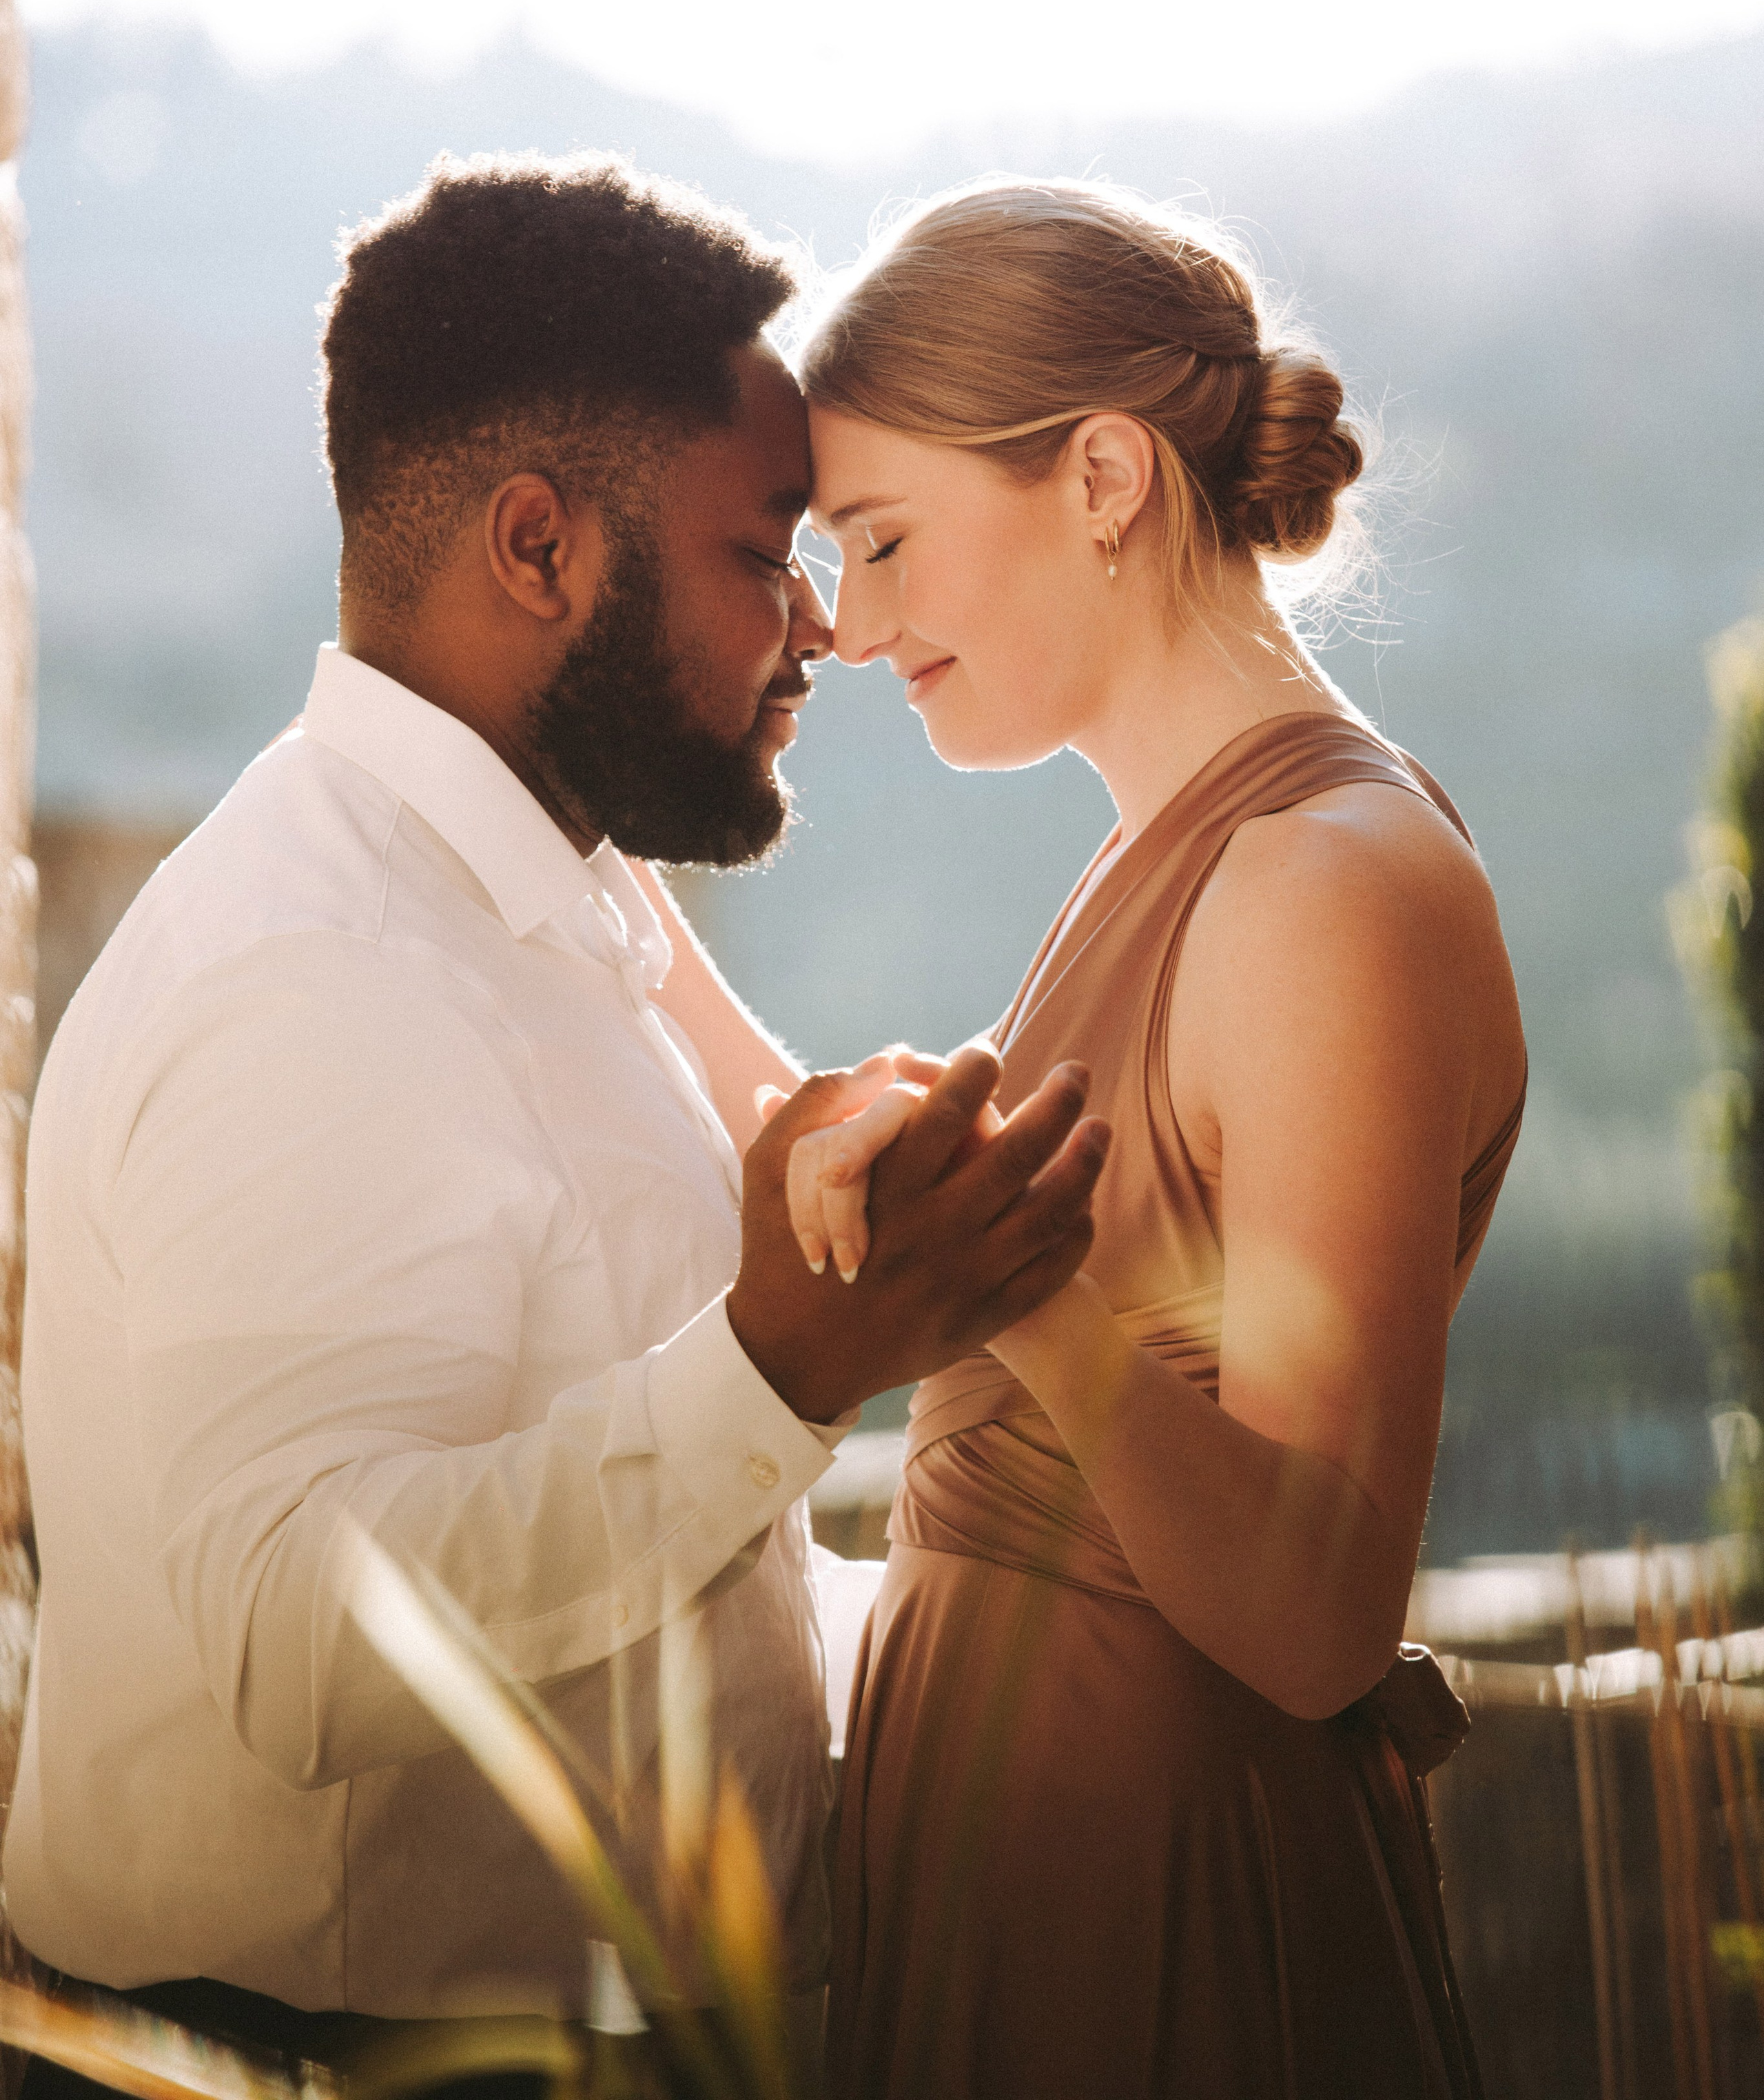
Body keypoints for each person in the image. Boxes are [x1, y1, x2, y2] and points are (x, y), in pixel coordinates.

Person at [4, 154, 1108, 2092]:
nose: (825, 633)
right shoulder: (317, 969)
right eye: (765, 552)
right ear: (540, 548)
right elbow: (300, 1635)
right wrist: (784, 1366)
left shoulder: (543, 904)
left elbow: (626, 1551)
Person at [790, 177, 1527, 2100]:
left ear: (1103, 476)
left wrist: (1005, 1284)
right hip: (1018, 1909)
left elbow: (1311, 1610)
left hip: (1177, 1939)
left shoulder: (1316, 889)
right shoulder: (1166, 857)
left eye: (881, 542)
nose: (847, 628)